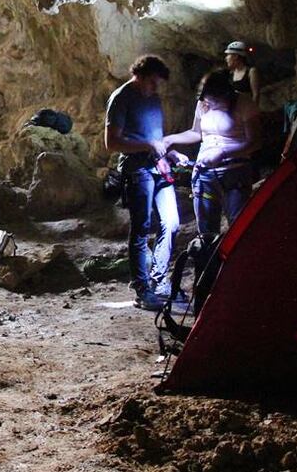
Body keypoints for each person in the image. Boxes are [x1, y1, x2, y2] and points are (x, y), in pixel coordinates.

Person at [105, 54, 180, 310]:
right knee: (141, 228)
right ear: (140, 76)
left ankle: (160, 280)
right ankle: (143, 289)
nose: (155, 88)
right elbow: (112, 143)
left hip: (159, 168)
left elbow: (154, 136)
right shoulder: (121, 98)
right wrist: (147, 145)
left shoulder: (153, 98)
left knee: (171, 223)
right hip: (138, 170)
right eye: (153, 83)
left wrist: (167, 152)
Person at [165, 68, 261, 234]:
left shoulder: (244, 103)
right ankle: (209, 257)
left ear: (225, 95)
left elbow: (255, 142)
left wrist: (223, 153)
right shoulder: (203, 103)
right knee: (207, 228)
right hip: (205, 173)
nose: (208, 105)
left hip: (235, 172)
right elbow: (196, 133)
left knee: (239, 225)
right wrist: (170, 139)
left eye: (213, 101)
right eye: (206, 101)